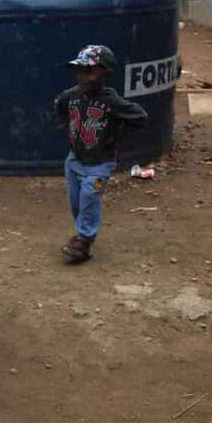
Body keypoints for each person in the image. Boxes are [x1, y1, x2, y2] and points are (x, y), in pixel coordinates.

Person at [55, 45, 147, 263]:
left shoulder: (111, 100)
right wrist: (72, 130)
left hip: (99, 163)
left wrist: (115, 136)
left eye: (90, 71)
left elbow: (139, 117)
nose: (83, 75)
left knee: (89, 198)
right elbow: (60, 108)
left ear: (105, 72)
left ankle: (84, 240)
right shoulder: (70, 96)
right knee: (77, 202)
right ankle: (83, 236)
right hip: (75, 160)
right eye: (79, 70)